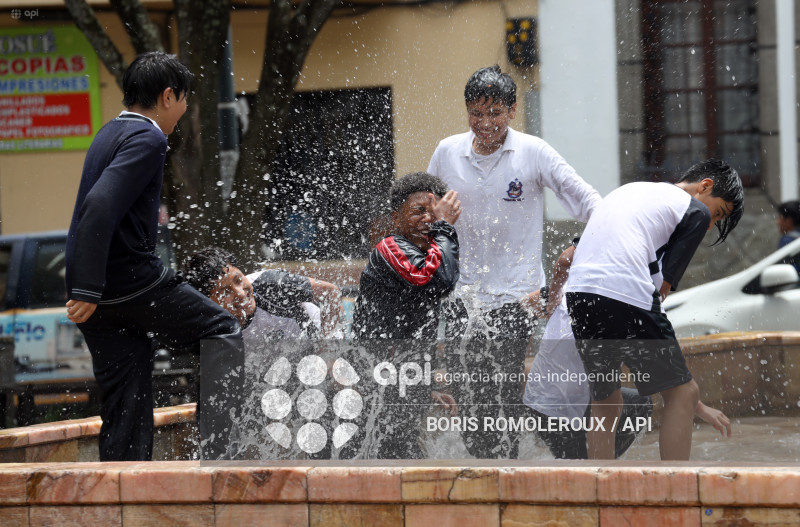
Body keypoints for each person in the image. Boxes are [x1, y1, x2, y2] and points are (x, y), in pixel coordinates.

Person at [65, 51, 244, 461]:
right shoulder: (149, 137)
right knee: (222, 330)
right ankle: (221, 458)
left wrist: (84, 288)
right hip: (130, 283)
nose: (184, 108)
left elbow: (89, 210)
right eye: (184, 99)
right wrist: (89, 288)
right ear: (168, 96)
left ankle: (122, 493)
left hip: (98, 299)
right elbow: (98, 205)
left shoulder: (108, 133)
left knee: (126, 398)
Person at [426, 65, 601, 458]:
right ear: (467, 110)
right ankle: (485, 471)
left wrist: (592, 243)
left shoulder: (533, 152)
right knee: (470, 394)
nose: (485, 123)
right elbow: (420, 208)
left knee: (501, 389)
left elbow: (589, 201)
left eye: (495, 114)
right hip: (462, 297)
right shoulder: (446, 151)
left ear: (513, 110)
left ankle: (505, 469)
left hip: (516, 297)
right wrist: (436, 219)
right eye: (477, 113)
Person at [565, 158, 744, 460]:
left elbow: (567, 258)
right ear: (705, 186)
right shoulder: (694, 211)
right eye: (717, 214)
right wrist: (693, 400)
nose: (710, 223)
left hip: (580, 295)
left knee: (606, 401)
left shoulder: (632, 193)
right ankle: (676, 494)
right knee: (683, 393)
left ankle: (597, 490)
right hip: (622, 292)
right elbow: (660, 292)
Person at [524, 240, 731, 459]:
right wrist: (699, 407)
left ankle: (599, 463)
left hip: (539, 401)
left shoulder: (574, 287)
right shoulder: (624, 307)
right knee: (578, 471)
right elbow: (662, 372)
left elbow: (525, 304)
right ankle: (592, 469)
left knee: (636, 403)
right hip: (557, 411)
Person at [350, 171, 461, 458]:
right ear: (396, 218)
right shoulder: (390, 249)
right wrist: (445, 226)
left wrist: (425, 391)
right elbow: (437, 280)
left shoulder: (428, 254)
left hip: (400, 383)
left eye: (433, 212)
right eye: (418, 211)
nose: (428, 219)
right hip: (373, 387)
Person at [183, 247, 343, 341]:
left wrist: (326, 350)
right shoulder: (210, 327)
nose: (240, 293)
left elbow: (331, 293)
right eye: (225, 292)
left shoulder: (270, 285)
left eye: (239, 280)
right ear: (206, 301)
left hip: (318, 340)